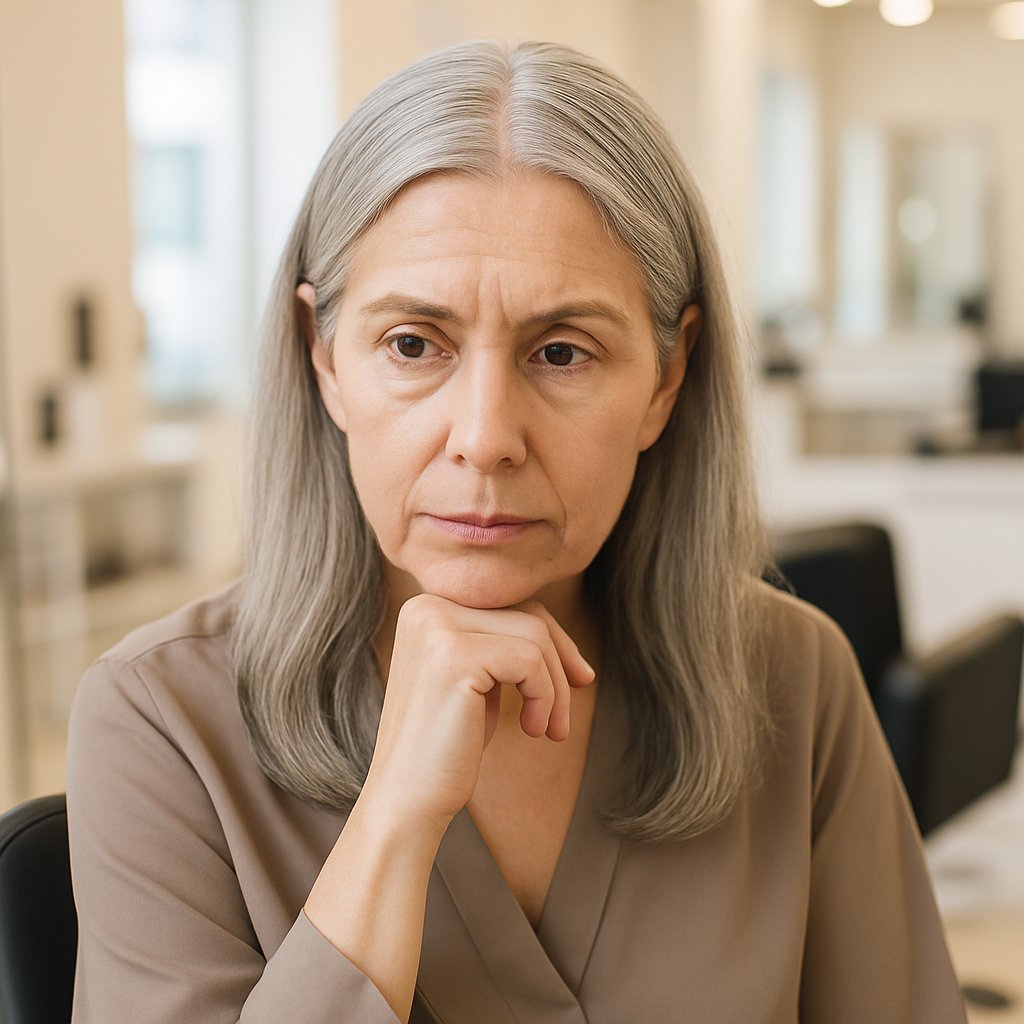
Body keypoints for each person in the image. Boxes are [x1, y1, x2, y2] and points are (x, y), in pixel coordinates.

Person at [66, 40, 967, 1024]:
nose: (486, 438)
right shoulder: (158, 722)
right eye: (413, 344)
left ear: (666, 379)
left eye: (562, 351)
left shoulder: (795, 680)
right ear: (323, 359)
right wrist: (396, 822)